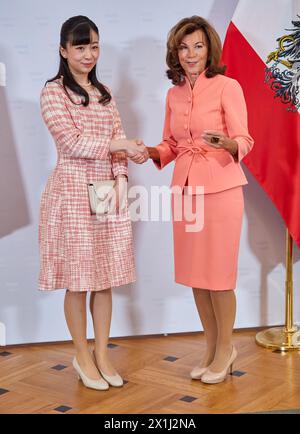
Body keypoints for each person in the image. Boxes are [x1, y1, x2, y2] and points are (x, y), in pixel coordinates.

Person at [39, 15, 147, 391]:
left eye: (94, 46)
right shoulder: (53, 92)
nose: (89, 54)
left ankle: (102, 354)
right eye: (81, 46)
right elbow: (71, 142)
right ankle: (82, 355)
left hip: (107, 193)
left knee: (106, 280)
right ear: (64, 50)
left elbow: (118, 137)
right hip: (71, 190)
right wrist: (120, 146)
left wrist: (121, 177)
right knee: (78, 281)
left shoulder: (105, 93)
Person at [144, 16, 254, 384]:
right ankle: (210, 349)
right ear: (176, 52)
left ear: (210, 50)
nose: (191, 54)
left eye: (198, 46)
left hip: (221, 190)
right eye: (184, 47)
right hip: (186, 191)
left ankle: (226, 350)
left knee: (220, 278)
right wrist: (149, 152)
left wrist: (228, 144)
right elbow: (171, 144)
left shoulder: (227, 87)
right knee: (198, 277)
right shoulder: (173, 94)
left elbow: (246, 139)